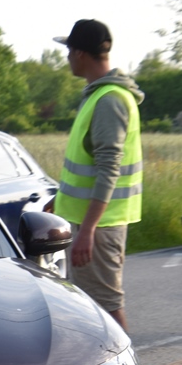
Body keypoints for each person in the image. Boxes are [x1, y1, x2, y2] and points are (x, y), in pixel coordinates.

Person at [51, 19, 144, 331]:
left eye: (68, 51)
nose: (66, 58)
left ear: (80, 53)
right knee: (93, 307)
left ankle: (126, 363)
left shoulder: (109, 100)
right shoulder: (100, 95)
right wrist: (60, 199)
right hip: (94, 222)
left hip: (99, 227)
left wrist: (88, 230)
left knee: (105, 306)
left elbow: (108, 169)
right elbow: (88, 166)